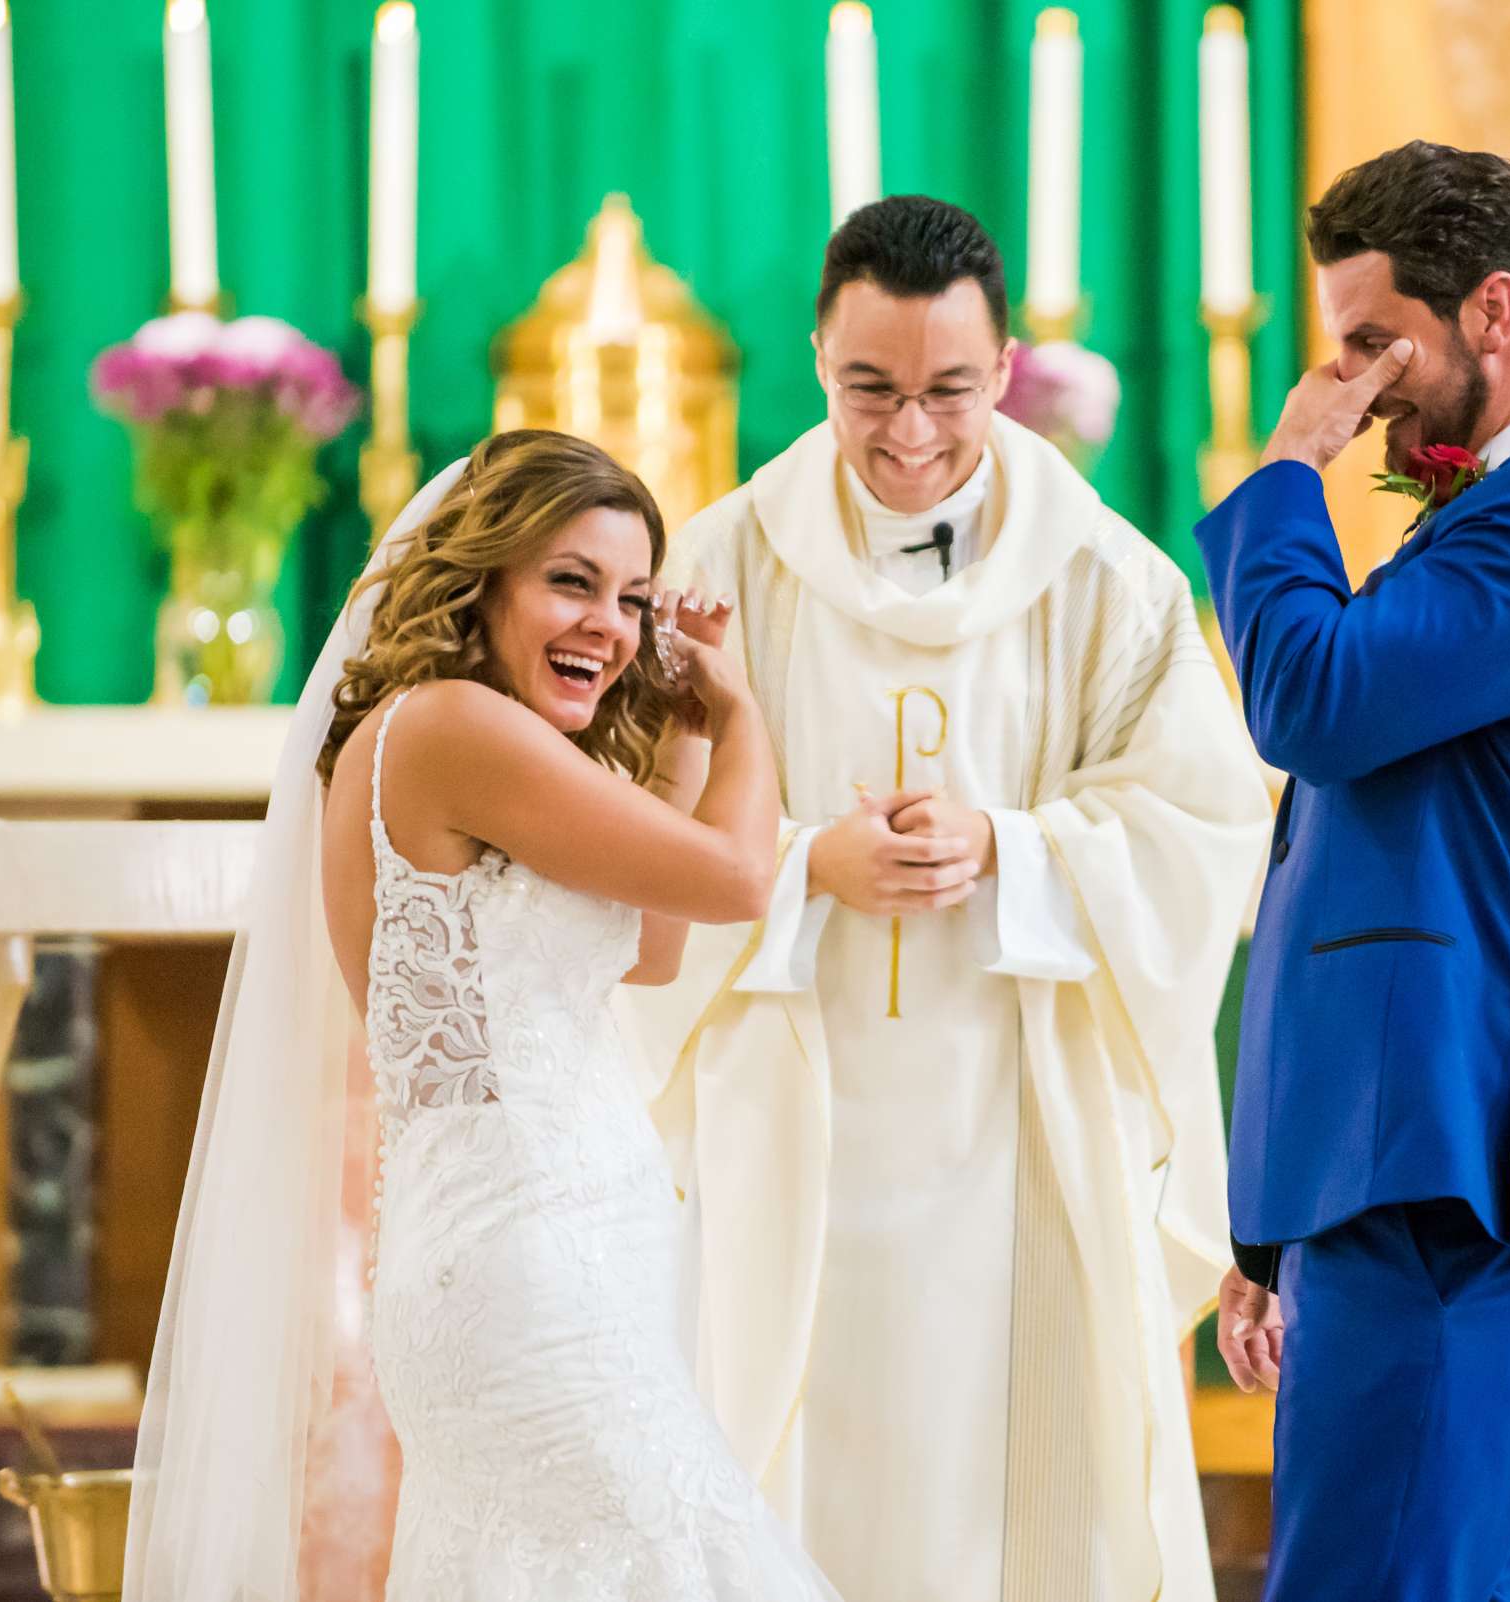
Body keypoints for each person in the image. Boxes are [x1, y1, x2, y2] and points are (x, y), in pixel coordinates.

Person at [626, 196, 1270, 1602]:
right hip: (789, 1117)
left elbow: (1205, 821)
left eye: (948, 392)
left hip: (1020, 1120)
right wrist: (802, 867)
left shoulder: (1106, 579)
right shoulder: (720, 567)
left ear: (1007, 368)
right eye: (871, 389)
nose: (910, 433)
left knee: (1017, 1492)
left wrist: (1016, 851)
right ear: (816, 358)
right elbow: (637, 833)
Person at [126, 430, 838, 1601]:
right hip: (526, 1277)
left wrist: (685, 733)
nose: (609, 627)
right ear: (484, 576)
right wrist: (742, 705)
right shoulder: (451, 725)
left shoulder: (463, 743)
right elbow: (737, 879)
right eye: (571, 581)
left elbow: (653, 951)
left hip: (531, 1264)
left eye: (633, 598)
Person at [1195, 140, 1510, 1600]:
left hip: (1461, 1171)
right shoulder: (1502, 514)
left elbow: (1315, 700)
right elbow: (1376, 859)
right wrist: (1283, 1220)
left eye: (1374, 342)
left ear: (1493, 311)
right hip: (1404, 1168)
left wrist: (1283, 467)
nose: (1349, 388)